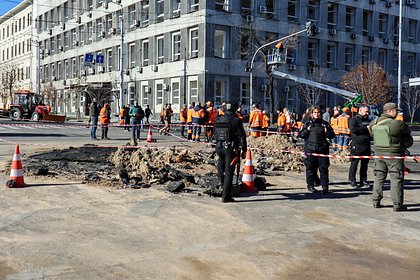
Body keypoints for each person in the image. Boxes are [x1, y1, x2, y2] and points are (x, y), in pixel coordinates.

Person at [369, 102, 413, 211]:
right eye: (396, 110)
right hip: (394, 155)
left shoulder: (373, 123)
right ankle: (397, 204)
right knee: (396, 179)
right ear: (390, 111)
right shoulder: (397, 124)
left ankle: (376, 201)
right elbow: (407, 132)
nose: (397, 113)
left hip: (378, 154)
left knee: (379, 177)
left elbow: (371, 134)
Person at [214, 102, 247, 203]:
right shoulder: (236, 120)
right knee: (229, 172)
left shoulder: (218, 119)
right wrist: (244, 149)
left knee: (221, 162)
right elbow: (242, 136)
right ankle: (225, 196)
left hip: (219, 146)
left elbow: (215, 132)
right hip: (230, 148)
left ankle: (220, 182)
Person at [298, 106, 336, 193]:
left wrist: (327, 131)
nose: (317, 114)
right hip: (311, 149)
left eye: (318, 112)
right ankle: (311, 186)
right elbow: (301, 135)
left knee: (323, 169)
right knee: (310, 169)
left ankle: (325, 187)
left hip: (322, 149)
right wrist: (307, 130)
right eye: (315, 112)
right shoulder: (308, 124)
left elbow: (332, 135)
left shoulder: (325, 124)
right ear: (312, 114)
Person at [348, 106, 372, 189]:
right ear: (360, 111)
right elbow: (353, 130)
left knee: (364, 165)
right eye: (366, 112)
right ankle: (352, 180)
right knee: (354, 164)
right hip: (357, 145)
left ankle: (363, 180)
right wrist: (365, 129)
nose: (367, 113)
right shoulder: (354, 120)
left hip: (366, 144)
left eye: (368, 112)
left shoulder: (368, 120)